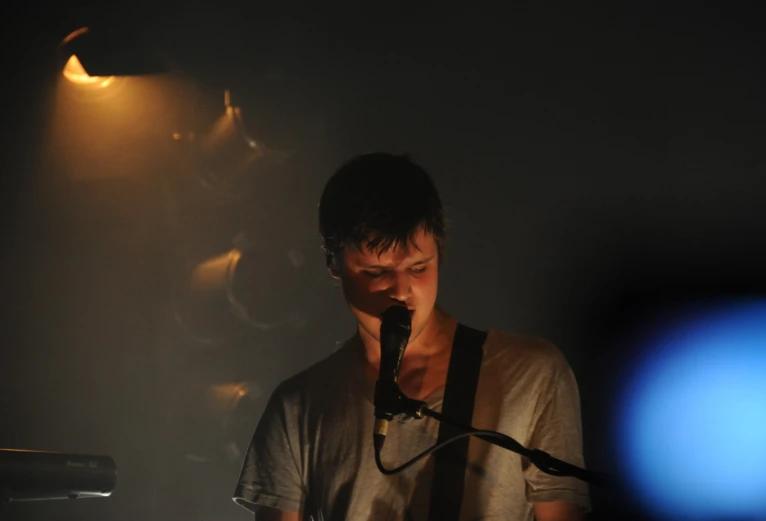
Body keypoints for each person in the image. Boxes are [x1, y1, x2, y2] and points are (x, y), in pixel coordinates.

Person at [233, 153, 590, 520]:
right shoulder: (297, 407)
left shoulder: (533, 373)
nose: (401, 290)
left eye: (419, 267)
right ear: (333, 263)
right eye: (375, 272)